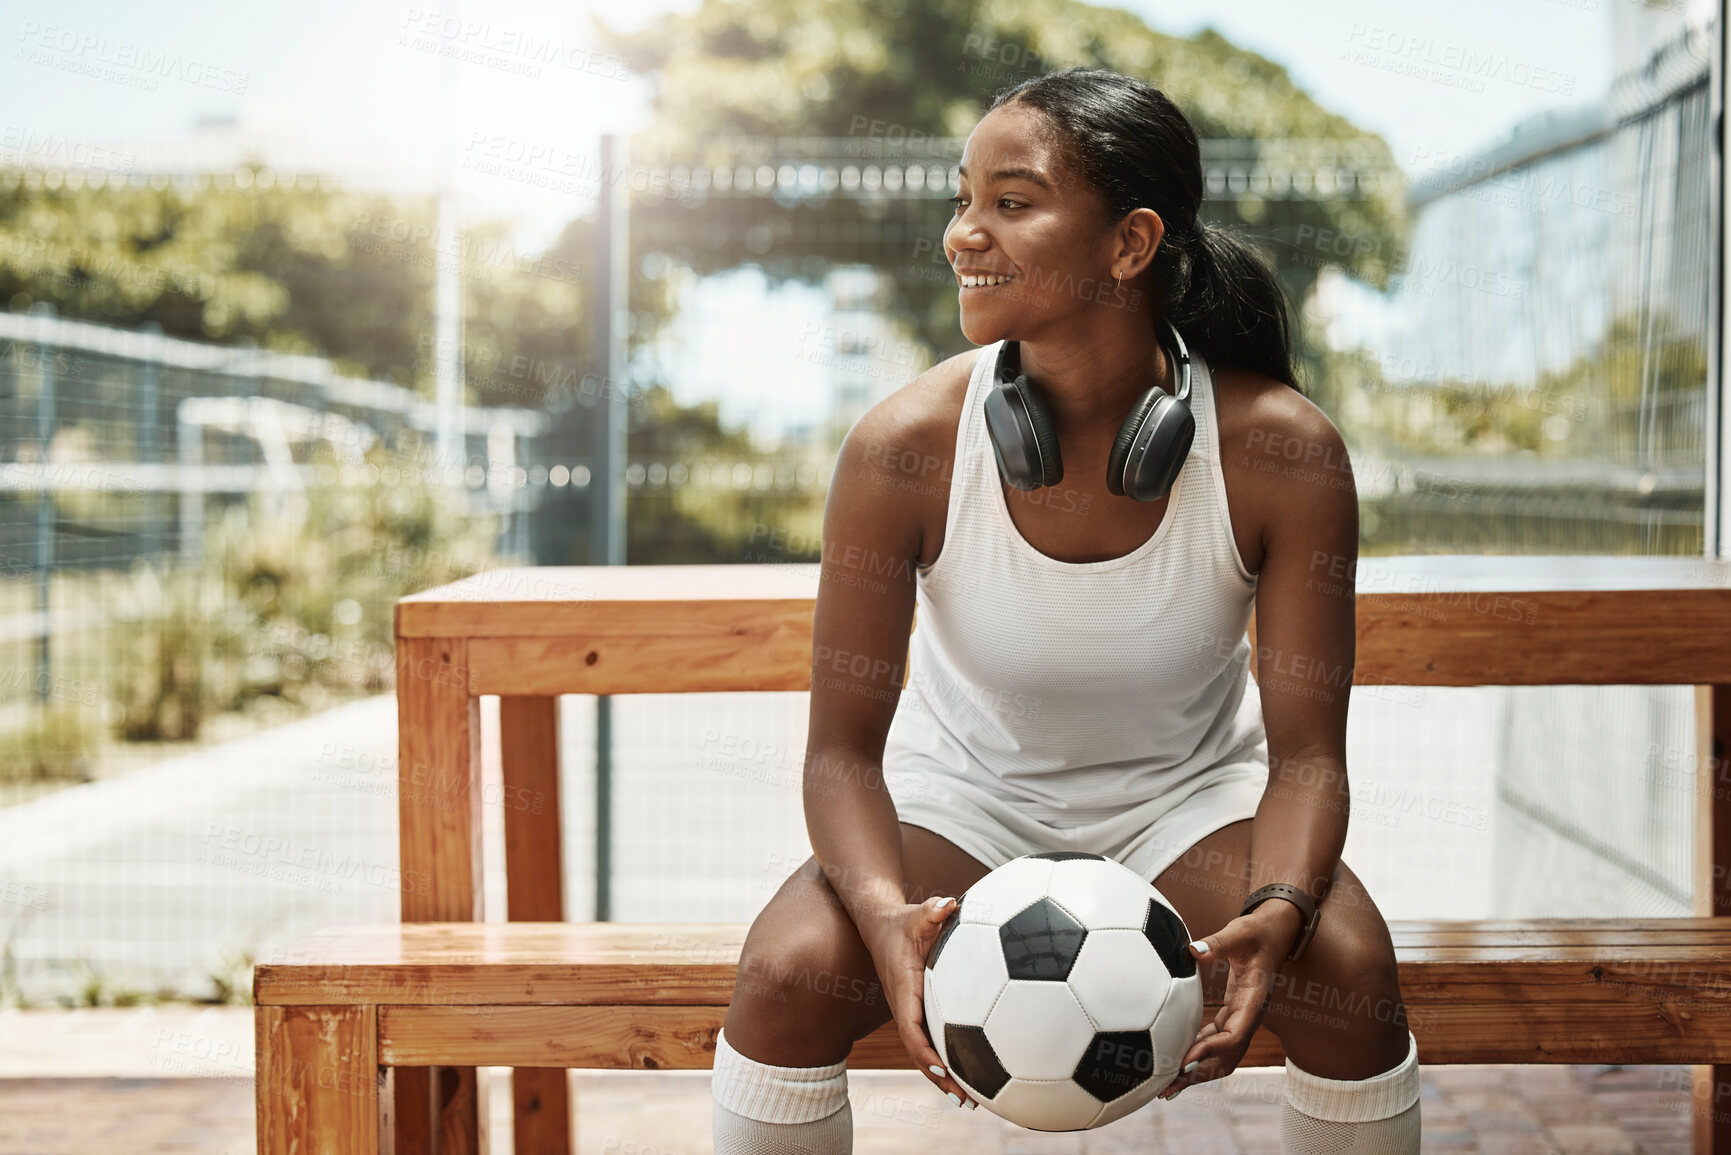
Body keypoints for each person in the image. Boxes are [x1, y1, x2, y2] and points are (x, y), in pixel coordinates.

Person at [711, 66, 1420, 1154]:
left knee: (1350, 972)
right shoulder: (903, 448)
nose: (961, 236)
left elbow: (1306, 760)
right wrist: (882, 916)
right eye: (962, 202)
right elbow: (841, 757)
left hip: (1187, 803)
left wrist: (1279, 910)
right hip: (967, 802)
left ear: (1131, 244)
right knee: (788, 971)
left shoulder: (1284, 451)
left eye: (1011, 201)